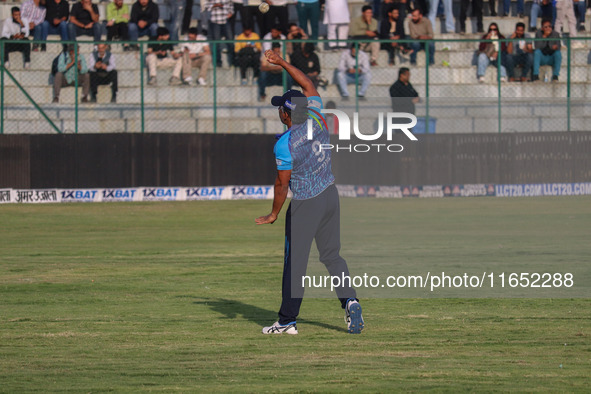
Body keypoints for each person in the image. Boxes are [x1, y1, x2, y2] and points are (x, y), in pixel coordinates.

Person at [256, 49, 363, 336]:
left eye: (280, 107)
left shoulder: (285, 144)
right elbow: (309, 86)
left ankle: (287, 321)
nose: (278, 110)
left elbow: (281, 185)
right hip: (330, 195)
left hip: (305, 204)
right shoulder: (317, 116)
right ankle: (350, 300)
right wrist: (282, 62)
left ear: (286, 113)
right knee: (332, 256)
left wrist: (274, 213)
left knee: (295, 264)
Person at [206, 0, 234, 68]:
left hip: (225, 20)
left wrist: (231, 13)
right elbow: (206, 6)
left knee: (230, 41)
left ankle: (232, 61)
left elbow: (231, 4)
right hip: (215, 20)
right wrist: (215, 5)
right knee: (216, 42)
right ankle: (218, 63)